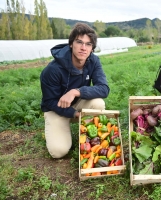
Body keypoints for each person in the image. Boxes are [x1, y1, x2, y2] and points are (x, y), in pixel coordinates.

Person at [40, 22, 110, 158]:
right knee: (58, 152)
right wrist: (74, 114)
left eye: (88, 44)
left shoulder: (93, 61)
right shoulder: (52, 70)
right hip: (56, 108)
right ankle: (58, 127)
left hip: (78, 102)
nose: (83, 48)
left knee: (98, 103)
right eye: (79, 42)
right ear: (71, 44)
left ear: (92, 48)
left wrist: (75, 91)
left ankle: (86, 133)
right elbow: (49, 102)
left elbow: (104, 89)